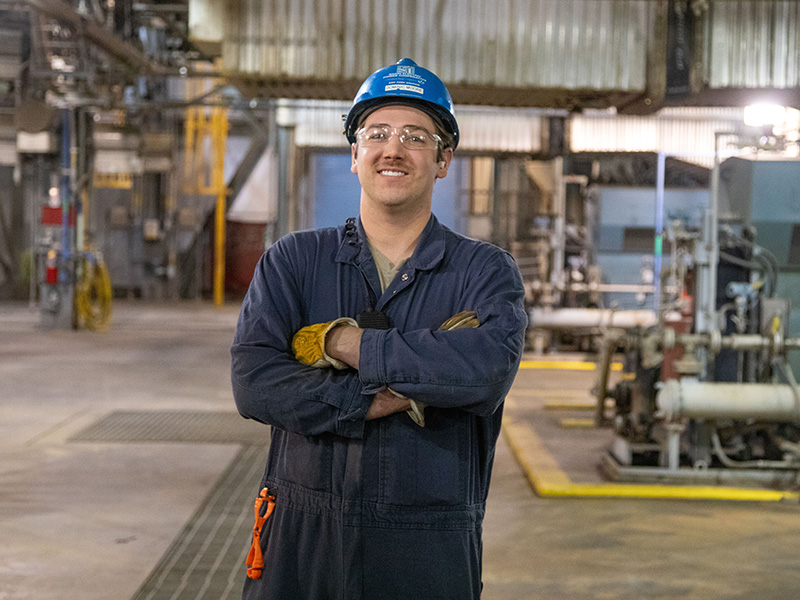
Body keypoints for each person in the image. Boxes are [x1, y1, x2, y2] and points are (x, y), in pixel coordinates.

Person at [231, 58, 527, 600]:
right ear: (355, 155)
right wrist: (374, 398)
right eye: (377, 134)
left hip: (426, 545)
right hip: (301, 539)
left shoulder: (483, 271)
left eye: (416, 136)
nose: (394, 148)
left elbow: (484, 371)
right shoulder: (294, 262)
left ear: (443, 160)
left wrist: (343, 343)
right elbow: (255, 383)